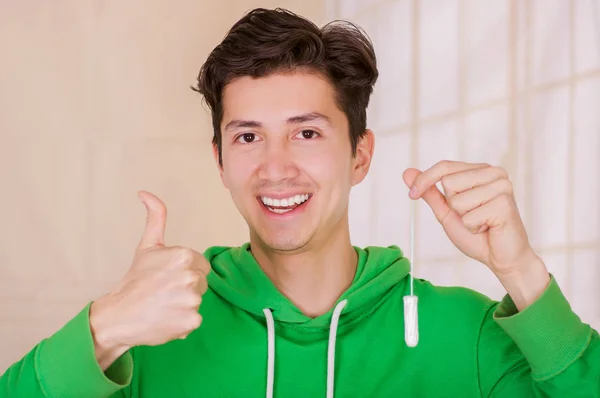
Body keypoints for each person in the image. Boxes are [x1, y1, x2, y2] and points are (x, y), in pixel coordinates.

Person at [2, 7, 599, 397]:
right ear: (219, 160)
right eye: (247, 136)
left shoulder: (465, 334)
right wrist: (105, 329)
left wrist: (521, 274)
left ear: (360, 155)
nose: (276, 167)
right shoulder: (154, 337)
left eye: (307, 133)